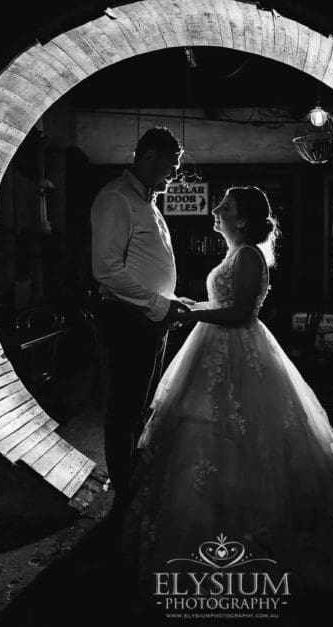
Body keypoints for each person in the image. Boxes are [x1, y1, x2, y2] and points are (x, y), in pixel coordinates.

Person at [121, 186, 333, 622]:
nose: (216, 210)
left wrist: (190, 313)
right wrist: (196, 305)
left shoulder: (248, 255)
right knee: (214, 438)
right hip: (218, 347)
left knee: (238, 434)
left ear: (242, 220)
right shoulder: (239, 253)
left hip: (236, 349)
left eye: (224, 207)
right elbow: (227, 305)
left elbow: (241, 314)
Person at [90, 126, 194, 512]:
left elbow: (145, 263)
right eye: (171, 164)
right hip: (129, 317)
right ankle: (123, 493)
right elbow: (107, 270)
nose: (173, 173)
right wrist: (157, 304)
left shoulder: (147, 201)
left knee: (141, 403)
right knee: (125, 407)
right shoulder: (116, 198)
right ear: (148, 156)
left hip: (152, 315)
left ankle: (132, 476)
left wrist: (168, 299)